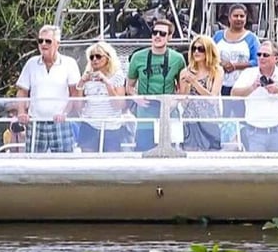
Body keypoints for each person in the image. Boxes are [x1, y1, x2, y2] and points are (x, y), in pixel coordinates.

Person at [15, 25, 80, 152]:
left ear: (57, 44)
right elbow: (22, 91)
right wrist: (21, 112)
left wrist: (64, 113)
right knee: (33, 163)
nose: (43, 44)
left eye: (48, 41)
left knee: (63, 164)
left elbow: (74, 94)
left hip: (61, 123)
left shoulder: (69, 63)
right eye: (40, 41)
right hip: (36, 122)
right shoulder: (31, 63)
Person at [126, 18, 186, 151]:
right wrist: (136, 97)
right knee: (144, 152)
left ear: (169, 37)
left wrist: (174, 102)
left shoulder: (178, 59)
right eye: (155, 32)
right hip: (145, 113)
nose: (158, 36)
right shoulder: (137, 57)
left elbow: (183, 89)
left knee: (172, 154)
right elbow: (129, 86)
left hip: (169, 112)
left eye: (162, 33)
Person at [231, 41, 278, 152]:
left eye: (265, 55)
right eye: (259, 54)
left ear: (276, 58)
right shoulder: (248, 73)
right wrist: (252, 87)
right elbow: (233, 94)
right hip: (254, 131)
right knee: (257, 168)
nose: (261, 58)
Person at [213, 3, 260, 124]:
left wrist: (235, 66)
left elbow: (257, 61)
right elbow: (210, 56)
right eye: (235, 16)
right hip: (220, 86)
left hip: (242, 87)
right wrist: (222, 64)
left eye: (242, 16)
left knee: (242, 121)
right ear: (229, 18)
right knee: (222, 120)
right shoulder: (218, 36)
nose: (239, 19)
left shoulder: (252, 38)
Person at [76, 42, 126, 153]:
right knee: (88, 162)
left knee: (111, 162)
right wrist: (81, 83)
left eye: (98, 56)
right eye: (91, 57)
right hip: (89, 124)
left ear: (108, 58)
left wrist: (106, 83)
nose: (95, 59)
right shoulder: (87, 76)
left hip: (111, 125)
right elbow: (78, 106)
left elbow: (119, 105)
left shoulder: (117, 75)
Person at [177, 35, 223, 151]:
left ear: (208, 51)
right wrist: (187, 84)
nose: (196, 52)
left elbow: (212, 99)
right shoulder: (184, 72)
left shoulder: (217, 71)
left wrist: (194, 82)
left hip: (210, 119)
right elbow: (183, 101)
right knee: (190, 152)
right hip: (191, 120)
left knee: (212, 154)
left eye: (201, 49)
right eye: (194, 48)